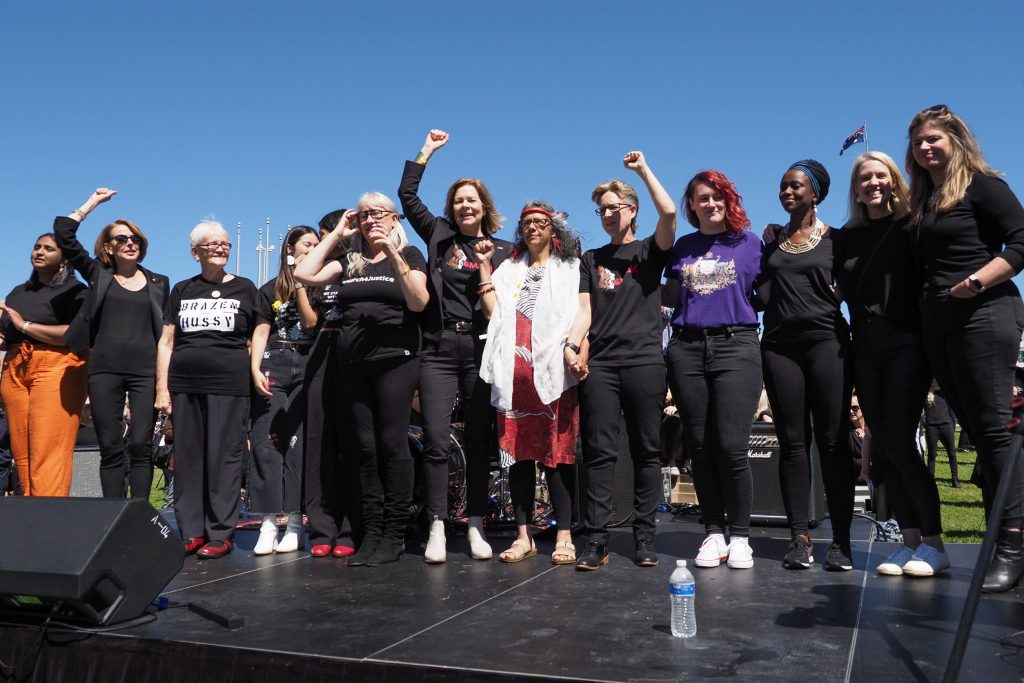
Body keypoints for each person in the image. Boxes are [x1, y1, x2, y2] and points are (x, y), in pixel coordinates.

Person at [907, 105, 1024, 592]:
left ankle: (1013, 545)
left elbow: (1020, 242)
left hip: (984, 314)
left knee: (996, 431)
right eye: (917, 142)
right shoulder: (925, 198)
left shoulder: (982, 185)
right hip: (941, 326)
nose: (925, 148)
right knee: (976, 430)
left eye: (934, 138)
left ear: (955, 138)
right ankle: (1003, 536)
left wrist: (973, 283)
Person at [294, 194, 429, 566]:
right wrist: (338, 233)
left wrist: (394, 254)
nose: (371, 220)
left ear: (393, 218)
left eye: (378, 214)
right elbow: (304, 274)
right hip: (353, 362)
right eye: (364, 215)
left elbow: (418, 302)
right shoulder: (349, 260)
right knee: (365, 447)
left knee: (392, 444)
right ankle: (371, 531)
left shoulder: (412, 255)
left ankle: (394, 533)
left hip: (395, 361)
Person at [398, 129, 513, 563]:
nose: (466, 205)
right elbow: (407, 196)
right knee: (435, 440)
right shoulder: (438, 236)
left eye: (473, 199)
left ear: (485, 206)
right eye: (459, 200)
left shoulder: (503, 250)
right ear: (452, 208)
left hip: (483, 349)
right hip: (439, 348)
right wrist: (427, 151)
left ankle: (477, 524)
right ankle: (438, 527)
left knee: (482, 440)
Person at [835, 151, 948, 577]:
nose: (873, 183)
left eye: (881, 175)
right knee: (884, 445)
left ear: (895, 180)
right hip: (864, 343)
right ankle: (910, 541)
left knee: (900, 441)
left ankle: (935, 543)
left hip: (905, 342)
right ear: (856, 188)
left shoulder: (911, 226)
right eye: (865, 177)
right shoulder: (848, 235)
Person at [575, 151, 677, 571]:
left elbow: (669, 211)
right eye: (600, 210)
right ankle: (595, 540)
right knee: (599, 453)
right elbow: (585, 310)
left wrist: (643, 170)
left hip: (644, 363)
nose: (606, 215)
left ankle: (645, 537)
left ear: (632, 210)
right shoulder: (591, 259)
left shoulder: (650, 251)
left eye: (613, 208)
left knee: (646, 452)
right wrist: (572, 342)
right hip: (601, 364)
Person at [758, 159, 854, 571]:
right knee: (792, 444)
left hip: (826, 344)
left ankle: (843, 542)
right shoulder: (772, 240)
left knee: (832, 443)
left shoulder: (839, 239)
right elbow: (760, 289)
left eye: (796, 186)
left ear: (816, 193)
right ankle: (799, 537)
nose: (787, 192)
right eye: (783, 186)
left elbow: (853, 287)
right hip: (779, 347)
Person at [663, 170, 762, 570]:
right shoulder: (682, 247)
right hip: (686, 348)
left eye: (717, 196)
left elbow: (773, 289)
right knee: (700, 446)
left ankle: (740, 536)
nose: (710, 204)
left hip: (736, 345)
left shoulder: (751, 244)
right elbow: (667, 294)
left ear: (729, 199)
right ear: (691, 205)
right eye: (702, 198)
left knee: (731, 446)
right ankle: (713, 532)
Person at [478, 200, 586, 564]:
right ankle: (523, 536)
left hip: (554, 373)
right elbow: (494, 315)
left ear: (553, 229)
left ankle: (565, 536)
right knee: (518, 459)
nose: (533, 228)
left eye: (540, 223)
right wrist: (483, 269)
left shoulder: (570, 268)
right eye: (527, 223)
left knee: (558, 458)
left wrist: (578, 350)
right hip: (514, 375)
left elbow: (581, 315)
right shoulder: (508, 269)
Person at [55, 188, 170, 499]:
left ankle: (142, 514)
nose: (130, 243)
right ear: (108, 246)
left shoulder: (159, 283)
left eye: (134, 239)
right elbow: (63, 232)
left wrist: (164, 383)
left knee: (141, 444)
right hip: (105, 370)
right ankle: (114, 513)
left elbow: (167, 335)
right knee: (110, 446)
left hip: (145, 372)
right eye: (121, 238)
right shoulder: (98, 274)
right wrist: (92, 203)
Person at [156, 220, 258, 559]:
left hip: (229, 385)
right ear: (195, 251)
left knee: (223, 458)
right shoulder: (182, 290)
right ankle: (191, 531)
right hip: (185, 385)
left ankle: (220, 532)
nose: (221, 248)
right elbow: (167, 341)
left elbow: (256, 336)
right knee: (187, 458)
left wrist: (256, 371)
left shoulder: (245, 288)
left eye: (225, 243)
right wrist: (162, 388)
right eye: (213, 243)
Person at [249, 226, 320, 555]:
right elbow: (260, 331)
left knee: (298, 447)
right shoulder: (268, 289)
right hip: (274, 361)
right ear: (290, 249)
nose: (312, 249)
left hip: (305, 362)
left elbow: (310, 323)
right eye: (307, 244)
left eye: (317, 245)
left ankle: (294, 523)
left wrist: (304, 285)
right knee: (266, 443)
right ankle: (266, 523)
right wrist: (254, 368)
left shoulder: (319, 284)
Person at [0, 234, 87, 496]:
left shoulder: (75, 291)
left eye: (48, 249)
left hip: (56, 366)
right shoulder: (18, 292)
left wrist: (24, 325)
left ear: (64, 260)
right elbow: (8, 338)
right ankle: (31, 511)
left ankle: (51, 510)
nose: (39, 252)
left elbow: (75, 335)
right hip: (16, 367)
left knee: (48, 445)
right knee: (22, 447)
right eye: (37, 246)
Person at [301, 210, 357, 558]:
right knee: (319, 443)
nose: (330, 239)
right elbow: (302, 274)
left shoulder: (361, 265)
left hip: (355, 353)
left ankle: (351, 527)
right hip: (321, 350)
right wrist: (331, 238)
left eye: (335, 233)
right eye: (325, 234)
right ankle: (322, 527)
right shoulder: (324, 267)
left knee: (353, 442)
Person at [922, 381, 959, 487]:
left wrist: (951, 424)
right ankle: (931, 480)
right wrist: (927, 423)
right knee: (932, 455)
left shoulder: (944, 393)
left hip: (946, 426)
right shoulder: (925, 395)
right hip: (932, 428)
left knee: (952, 453)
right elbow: (920, 413)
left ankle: (955, 479)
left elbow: (953, 409)